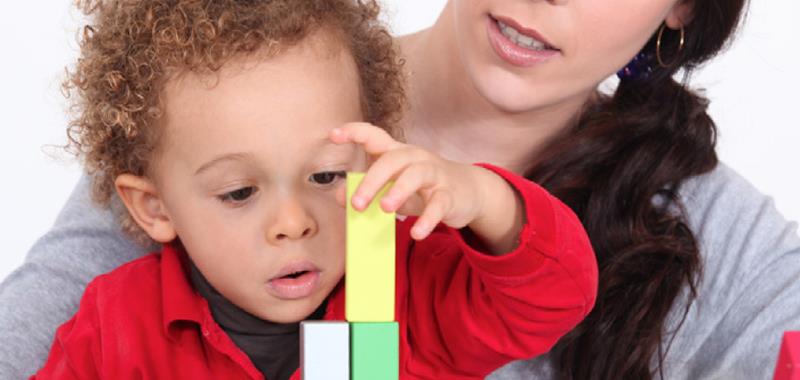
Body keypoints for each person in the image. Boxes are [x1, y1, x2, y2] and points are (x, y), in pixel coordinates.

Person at [1, 0, 797, 379]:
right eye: (240, 192)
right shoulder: (223, 93)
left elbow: (550, 294)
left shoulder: (390, 298)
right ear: (155, 205)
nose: (289, 222)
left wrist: (487, 205)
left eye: (325, 178)